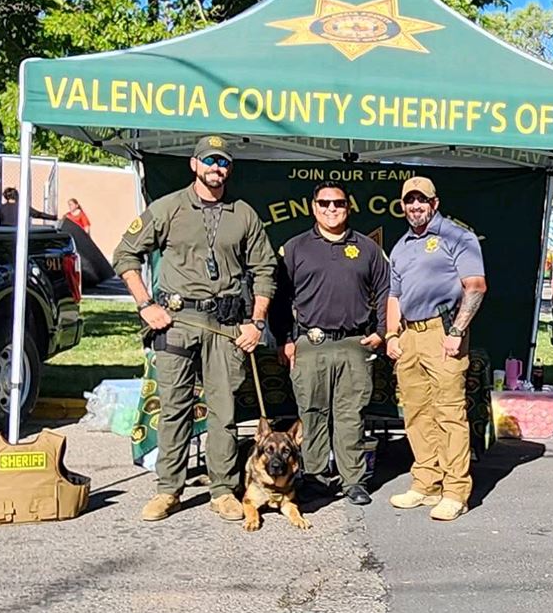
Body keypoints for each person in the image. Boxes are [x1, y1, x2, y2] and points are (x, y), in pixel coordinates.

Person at [114, 136, 277, 523]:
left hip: (224, 325)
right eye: (209, 161)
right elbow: (125, 254)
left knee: (224, 412)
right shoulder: (168, 208)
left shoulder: (243, 214)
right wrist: (145, 304)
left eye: (222, 162)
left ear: (228, 169)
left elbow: (265, 270)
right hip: (176, 321)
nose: (216, 168)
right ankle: (169, 490)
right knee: (174, 409)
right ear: (194, 165)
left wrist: (257, 322)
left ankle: (222, 491)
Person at [383, 175, 487, 522]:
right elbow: (394, 295)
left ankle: (456, 491)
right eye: (409, 201)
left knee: (449, 413)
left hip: (443, 331)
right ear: (402, 206)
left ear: (434, 203)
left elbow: (475, 286)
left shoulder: (457, 236)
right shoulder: (401, 246)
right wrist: (392, 335)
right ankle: (426, 481)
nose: (415, 206)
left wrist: (457, 331)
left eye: (422, 200)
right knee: (416, 413)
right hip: (409, 335)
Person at [276, 182, 387, 505]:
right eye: (324, 203)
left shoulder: (366, 248)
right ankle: (314, 478)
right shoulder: (295, 248)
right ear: (314, 207)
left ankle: (353, 480)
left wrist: (381, 331)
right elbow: (280, 298)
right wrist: (284, 339)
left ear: (347, 207)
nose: (331, 209)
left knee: (351, 415)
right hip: (311, 342)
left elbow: (385, 291)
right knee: (312, 414)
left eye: (338, 203)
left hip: (354, 343)